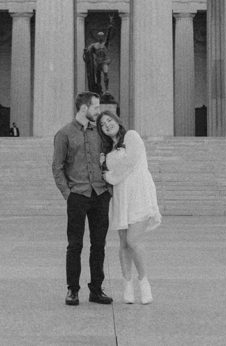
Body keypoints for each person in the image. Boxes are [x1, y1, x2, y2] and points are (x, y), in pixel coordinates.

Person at [52, 91, 114, 306]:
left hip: (100, 194)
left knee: (99, 245)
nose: (99, 111)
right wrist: (68, 195)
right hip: (77, 196)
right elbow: (57, 167)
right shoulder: (64, 134)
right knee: (74, 245)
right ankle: (73, 290)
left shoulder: (100, 133)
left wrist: (109, 187)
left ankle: (96, 289)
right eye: (96, 107)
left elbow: (109, 159)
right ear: (84, 108)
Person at [99, 110, 161, 305]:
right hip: (121, 196)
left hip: (138, 193)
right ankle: (127, 284)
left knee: (134, 240)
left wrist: (108, 176)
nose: (107, 125)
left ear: (117, 120)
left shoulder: (132, 136)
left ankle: (144, 282)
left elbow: (129, 164)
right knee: (124, 243)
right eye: (102, 124)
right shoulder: (108, 150)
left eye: (109, 120)